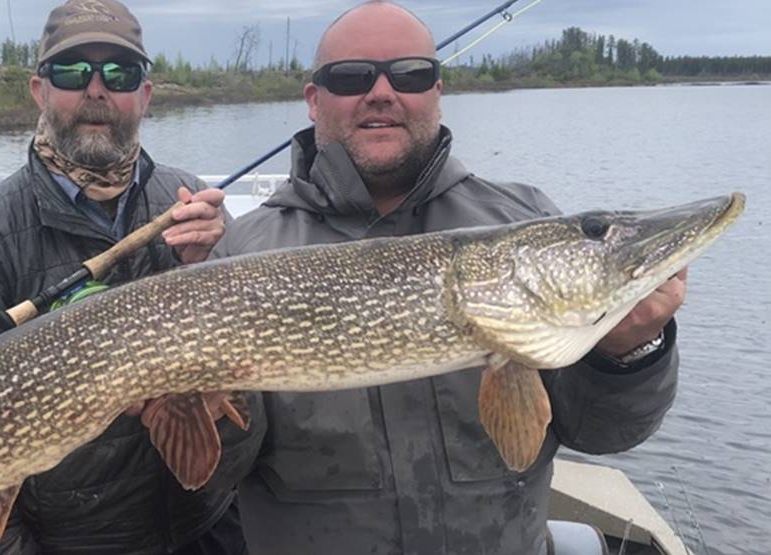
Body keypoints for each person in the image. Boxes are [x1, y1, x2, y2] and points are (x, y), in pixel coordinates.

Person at [211, 2, 682, 554]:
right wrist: (209, 409)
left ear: (437, 90)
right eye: (351, 77)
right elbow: (216, 474)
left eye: (410, 74)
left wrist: (625, 355)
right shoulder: (246, 251)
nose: (382, 92)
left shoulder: (520, 218)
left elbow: (604, 433)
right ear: (315, 101)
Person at [0, 1, 263, 553]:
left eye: (120, 73)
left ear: (144, 95)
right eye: (72, 72)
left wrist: (215, 267)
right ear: (39, 91)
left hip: (206, 527)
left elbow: (252, 408)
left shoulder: (194, 209)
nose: (96, 89)